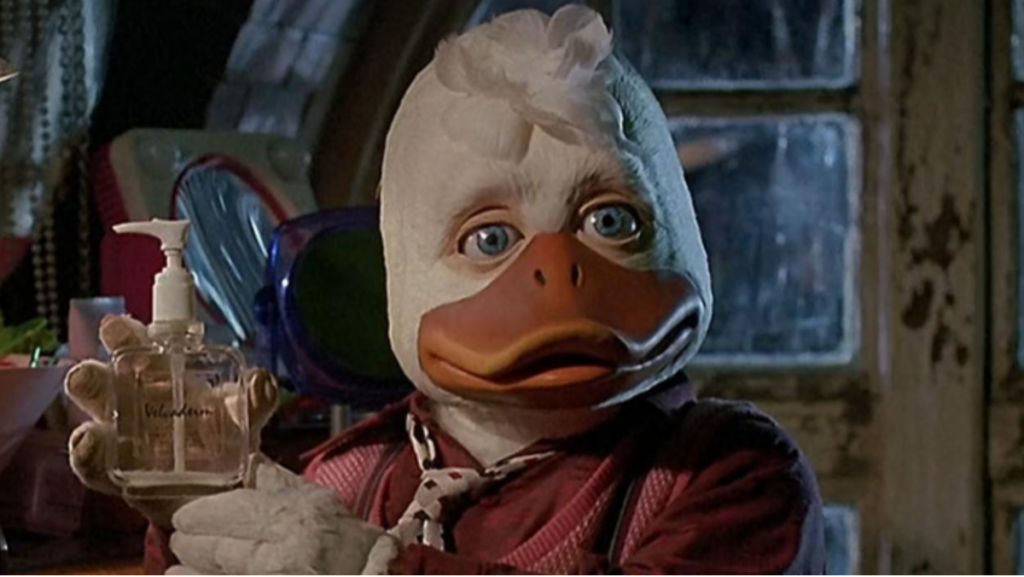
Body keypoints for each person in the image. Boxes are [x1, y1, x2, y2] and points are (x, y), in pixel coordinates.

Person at [66, 6, 826, 576]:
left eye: (611, 220)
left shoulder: (732, 475)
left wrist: (375, 567)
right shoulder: (349, 473)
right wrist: (197, 512)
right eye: (489, 238)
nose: (556, 268)